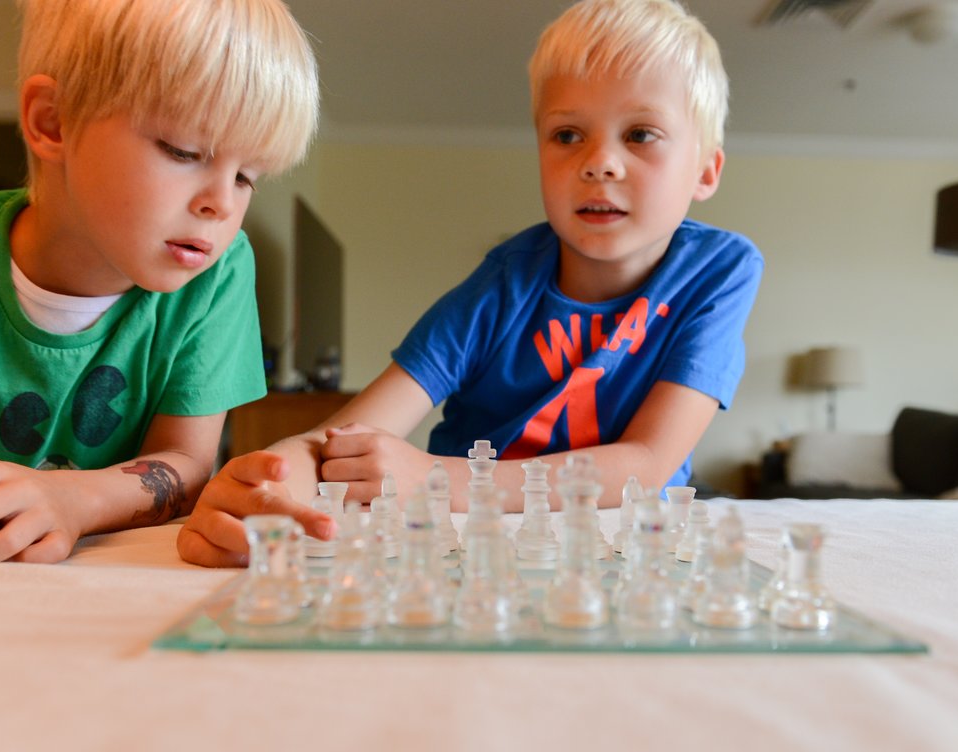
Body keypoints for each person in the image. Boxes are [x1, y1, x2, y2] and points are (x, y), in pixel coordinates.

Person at [177, 0, 762, 567]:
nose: (599, 162)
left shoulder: (718, 271)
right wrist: (268, 482)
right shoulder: (501, 286)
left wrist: (432, 480)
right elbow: (345, 436)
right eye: (566, 135)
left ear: (706, 170)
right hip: (472, 549)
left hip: (627, 549)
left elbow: (648, 463)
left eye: (640, 134)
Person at [0, 0, 319, 562]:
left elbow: (187, 464)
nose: (221, 203)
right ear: (53, 121)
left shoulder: (218, 271)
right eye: (184, 151)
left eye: (247, 177)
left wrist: (69, 500)